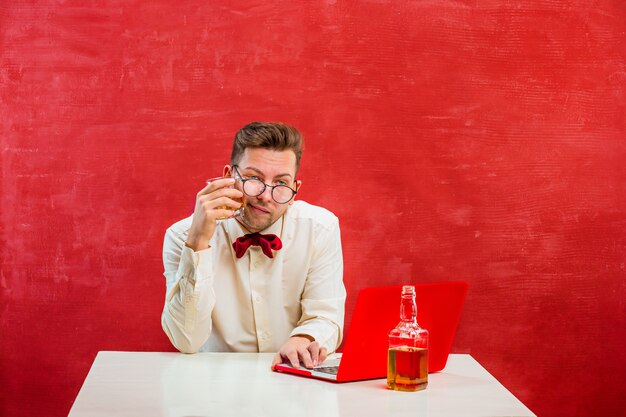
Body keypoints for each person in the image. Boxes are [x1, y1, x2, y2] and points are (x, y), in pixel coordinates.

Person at [161, 121, 346, 370]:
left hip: (293, 380)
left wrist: (303, 339)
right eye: (253, 178)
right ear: (229, 177)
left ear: (295, 190)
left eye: (281, 183)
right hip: (212, 387)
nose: (265, 195)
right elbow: (186, 340)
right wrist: (197, 244)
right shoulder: (181, 236)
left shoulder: (320, 228)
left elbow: (326, 314)